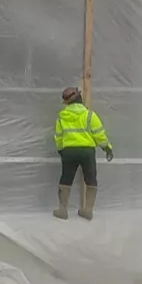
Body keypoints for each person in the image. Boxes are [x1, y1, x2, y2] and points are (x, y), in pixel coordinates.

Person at [52, 87, 112, 220]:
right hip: (87, 152)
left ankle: (62, 210)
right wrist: (107, 148)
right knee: (90, 179)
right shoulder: (90, 115)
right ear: (80, 99)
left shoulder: (61, 118)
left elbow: (59, 137)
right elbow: (99, 134)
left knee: (66, 179)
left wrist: (61, 150)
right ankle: (88, 211)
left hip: (69, 151)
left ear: (67, 102)